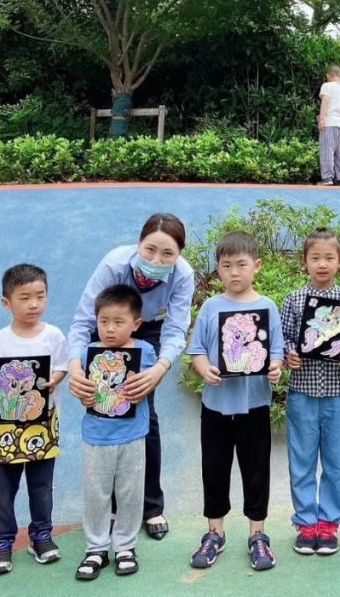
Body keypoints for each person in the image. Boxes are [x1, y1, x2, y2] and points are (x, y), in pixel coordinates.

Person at [68, 213, 194, 540]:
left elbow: (176, 328)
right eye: (150, 249)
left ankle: (151, 507)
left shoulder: (182, 275)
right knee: (106, 408)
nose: (156, 260)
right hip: (109, 327)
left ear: (179, 254)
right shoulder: (114, 265)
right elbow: (83, 321)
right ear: (138, 243)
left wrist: (159, 368)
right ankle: (112, 507)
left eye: (168, 253)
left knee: (142, 410)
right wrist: (75, 367)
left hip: (149, 330)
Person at [188, 231, 285, 571]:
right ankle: (215, 532)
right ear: (218, 268)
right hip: (215, 406)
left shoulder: (267, 307)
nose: (234, 272)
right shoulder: (211, 307)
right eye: (226, 265)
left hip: (254, 405)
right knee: (214, 469)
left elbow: (276, 353)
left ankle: (258, 535)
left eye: (241, 265)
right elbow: (197, 350)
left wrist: (275, 369)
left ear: (256, 266)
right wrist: (205, 370)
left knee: (256, 470)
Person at [281, 228, 340, 556]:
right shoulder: (294, 300)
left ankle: (329, 522)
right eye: (315, 257)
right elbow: (284, 340)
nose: (322, 264)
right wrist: (289, 354)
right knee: (301, 460)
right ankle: (306, 522)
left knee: (335, 462)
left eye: (329, 257)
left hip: (337, 393)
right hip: (302, 392)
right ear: (304, 261)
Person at [0, 264, 69, 576]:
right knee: (3, 488)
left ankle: (41, 535)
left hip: (43, 426)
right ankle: (1, 541)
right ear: (6, 302)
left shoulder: (54, 335)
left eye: (40, 296)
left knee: (41, 485)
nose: (34, 304)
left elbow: (61, 367)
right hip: (5, 427)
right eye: (25, 298)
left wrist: (54, 380)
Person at [69, 285, 155, 580]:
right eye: (104, 321)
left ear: (136, 323)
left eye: (119, 322)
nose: (110, 328)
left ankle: (126, 547)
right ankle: (95, 548)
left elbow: (149, 385)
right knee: (96, 494)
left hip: (132, 435)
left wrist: (140, 389)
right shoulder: (87, 353)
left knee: (130, 493)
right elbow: (83, 392)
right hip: (96, 437)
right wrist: (83, 397)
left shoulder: (145, 351)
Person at [317, 64, 340, 186]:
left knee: (327, 150)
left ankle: (327, 178)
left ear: (328, 76)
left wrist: (321, 120)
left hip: (329, 122)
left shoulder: (327, 86)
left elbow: (325, 102)